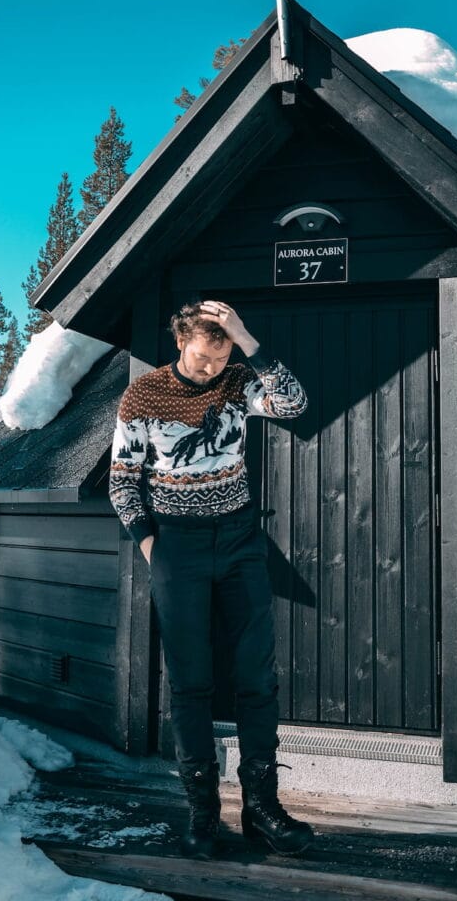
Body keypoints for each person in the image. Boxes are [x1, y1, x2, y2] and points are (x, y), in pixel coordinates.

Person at [109, 299, 314, 859]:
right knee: (190, 682)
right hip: (177, 545)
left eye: (220, 359)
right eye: (203, 358)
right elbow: (122, 480)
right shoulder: (144, 395)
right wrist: (152, 547)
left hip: (240, 540)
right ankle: (202, 813)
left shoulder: (239, 381)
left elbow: (293, 404)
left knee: (257, 677)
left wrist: (247, 341)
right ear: (181, 342)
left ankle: (262, 810)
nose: (210, 370)